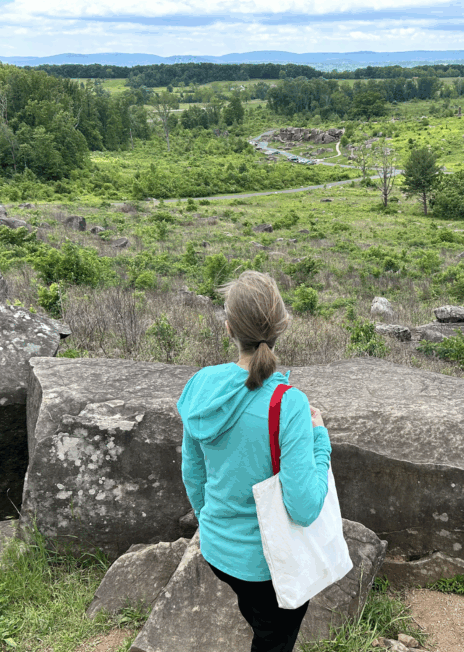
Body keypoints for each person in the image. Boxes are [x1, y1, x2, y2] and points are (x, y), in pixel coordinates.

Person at [177, 270, 332, 652]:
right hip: (267, 564)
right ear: (282, 326)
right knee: (273, 638)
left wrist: (213, 523)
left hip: (217, 550)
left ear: (229, 327)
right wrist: (320, 440)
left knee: (259, 618)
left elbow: (193, 474)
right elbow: (306, 506)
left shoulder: (199, 385)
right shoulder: (288, 402)